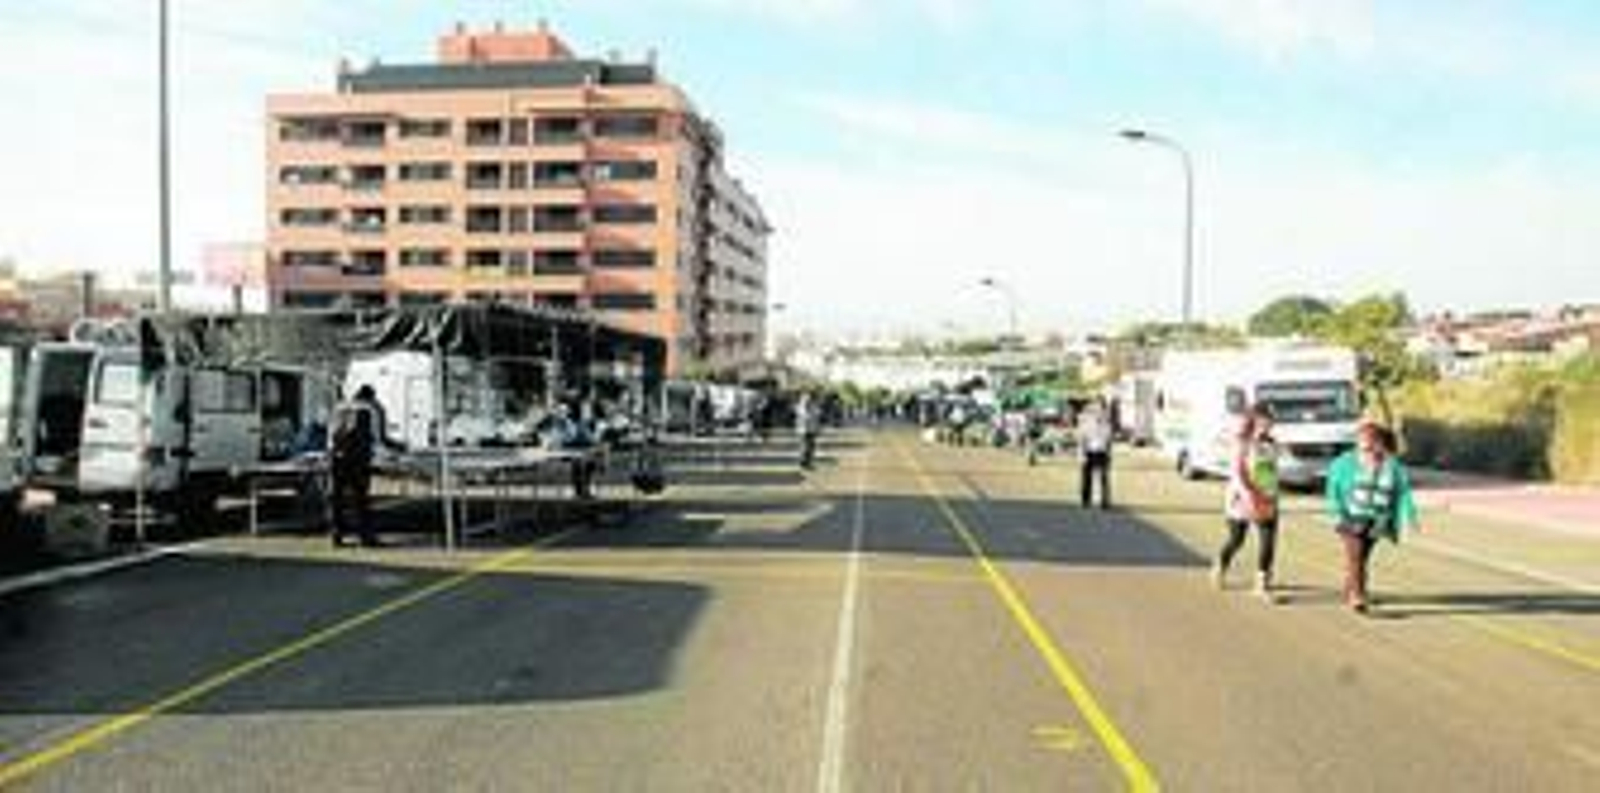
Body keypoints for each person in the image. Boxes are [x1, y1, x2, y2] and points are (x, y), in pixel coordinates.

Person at [1324, 420, 1423, 614]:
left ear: (1379, 443)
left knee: (1362, 558)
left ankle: (1351, 588)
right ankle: (1358, 596)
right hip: (1350, 518)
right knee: (1356, 556)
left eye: (1369, 442)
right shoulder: (1344, 463)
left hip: (1377, 520)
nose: (1364, 446)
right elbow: (1333, 490)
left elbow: (1402, 492)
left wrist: (1410, 516)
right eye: (1361, 442)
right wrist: (1336, 513)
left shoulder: (1392, 466)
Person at [1213, 404, 1282, 601]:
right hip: (1242, 499)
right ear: (1256, 419)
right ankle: (1221, 563)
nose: (1271, 423)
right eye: (1267, 418)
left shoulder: (1271, 443)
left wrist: (1273, 493)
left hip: (1268, 497)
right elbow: (1238, 472)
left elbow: (1271, 470)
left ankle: (1261, 584)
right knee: (1237, 540)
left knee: (1268, 541)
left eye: (1272, 419)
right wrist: (1251, 495)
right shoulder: (1241, 443)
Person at [328, 385, 400, 548]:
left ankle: (336, 536)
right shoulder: (371, 409)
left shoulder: (340, 407)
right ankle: (365, 537)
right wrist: (399, 447)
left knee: (337, 499)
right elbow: (380, 438)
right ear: (371, 396)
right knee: (360, 499)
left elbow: (331, 434)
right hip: (358, 459)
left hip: (337, 458)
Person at [1077, 399, 1114, 509]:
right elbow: (1082, 439)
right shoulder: (1087, 424)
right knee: (1086, 478)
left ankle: (1105, 501)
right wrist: (1082, 454)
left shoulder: (1106, 424)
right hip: (1089, 452)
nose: (1099, 413)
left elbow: (1109, 440)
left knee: (1104, 478)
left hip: (1102, 452)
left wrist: (1109, 454)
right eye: (1097, 410)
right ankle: (1085, 500)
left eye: (1101, 410)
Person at [796, 392, 821, 470]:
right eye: (807, 400)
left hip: (811, 429)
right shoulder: (801, 408)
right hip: (804, 430)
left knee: (811, 447)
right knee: (805, 447)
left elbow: (817, 415)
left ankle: (808, 462)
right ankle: (803, 463)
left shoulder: (812, 407)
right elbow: (806, 417)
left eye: (810, 400)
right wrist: (813, 414)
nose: (809, 401)